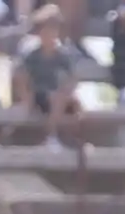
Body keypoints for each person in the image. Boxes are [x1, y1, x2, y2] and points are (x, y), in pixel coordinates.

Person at [15, 6, 83, 149]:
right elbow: (22, 77)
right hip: (37, 95)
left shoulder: (63, 55)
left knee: (62, 99)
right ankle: (48, 135)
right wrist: (27, 98)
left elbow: (72, 79)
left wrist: (67, 92)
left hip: (56, 97)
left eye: (53, 29)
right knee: (54, 97)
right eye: (46, 29)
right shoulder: (32, 54)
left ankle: (54, 136)